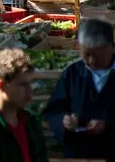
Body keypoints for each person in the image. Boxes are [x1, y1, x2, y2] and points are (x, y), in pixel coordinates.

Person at [44, 18, 115, 161]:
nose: (91, 61)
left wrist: (108, 126)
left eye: (97, 55)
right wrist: (64, 121)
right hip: (79, 155)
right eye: (86, 54)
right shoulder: (72, 73)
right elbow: (53, 110)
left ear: (112, 47)